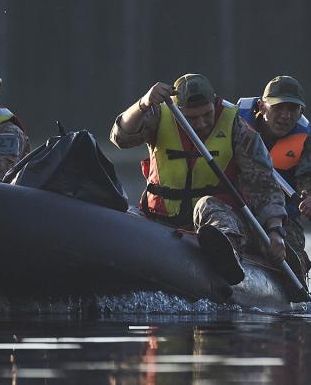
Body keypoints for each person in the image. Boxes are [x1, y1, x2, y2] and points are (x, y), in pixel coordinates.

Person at [110, 74, 287, 285]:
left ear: (214, 103)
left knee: (207, 204)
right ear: (178, 109)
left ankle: (225, 254)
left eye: (207, 114)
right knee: (127, 214)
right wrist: (143, 103)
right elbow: (120, 138)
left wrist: (275, 231)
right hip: (160, 220)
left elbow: (264, 186)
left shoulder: (237, 129)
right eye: (192, 118)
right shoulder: (159, 115)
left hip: (220, 220)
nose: (201, 123)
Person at [236, 76, 311, 277]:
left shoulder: (306, 147)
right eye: (278, 108)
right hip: (236, 209)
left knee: (293, 256)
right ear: (261, 106)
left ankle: (293, 278)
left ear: (301, 112)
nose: (285, 116)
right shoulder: (233, 129)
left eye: (292, 109)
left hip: (284, 220)